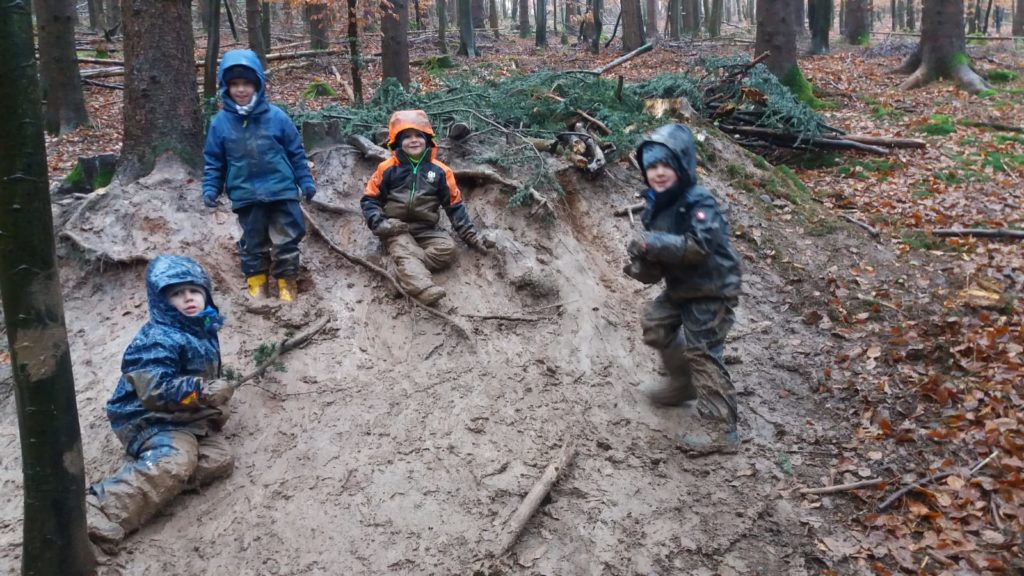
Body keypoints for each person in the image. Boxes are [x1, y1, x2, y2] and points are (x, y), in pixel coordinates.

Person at [86, 255, 236, 546]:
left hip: (185, 416)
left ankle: (158, 477)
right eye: (177, 294)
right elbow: (155, 390)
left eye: (194, 291)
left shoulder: (202, 325)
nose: (188, 298)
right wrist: (203, 392)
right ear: (161, 301)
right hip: (148, 418)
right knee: (176, 462)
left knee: (219, 459)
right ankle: (101, 509)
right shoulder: (158, 338)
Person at [623, 124, 744, 455]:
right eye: (652, 166)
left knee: (702, 352)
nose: (659, 173)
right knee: (654, 324)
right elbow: (661, 258)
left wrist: (654, 243)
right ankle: (683, 384)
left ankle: (722, 430)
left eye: (667, 165)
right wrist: (642, 264)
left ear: (683, 165)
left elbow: (699, 246)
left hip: (713, 288)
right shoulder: (655, 204)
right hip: (683, 287)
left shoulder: (700, 202)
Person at [202, 49, 316, 303]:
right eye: (235, 84)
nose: (241, 89)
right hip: (245, 193)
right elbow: (214, 161)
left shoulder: (277, 117)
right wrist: (211, 187)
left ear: (258, 85)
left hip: (281, 190)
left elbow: (296, 153)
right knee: (253, 242)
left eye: (247, 83)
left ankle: (287, 284)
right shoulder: (220, 123)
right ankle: (257, 283)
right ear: (226, 87)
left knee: (286, 240)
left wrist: (305, 180)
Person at [360, 109, 492, 306]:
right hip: (396, 228)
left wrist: (472, 238)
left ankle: (398, 269)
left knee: (448, 249)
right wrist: (380, 224)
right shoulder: (387, 168)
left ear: (427, 139)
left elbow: (454, 206)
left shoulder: (440, 171)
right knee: (403, 247)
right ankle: (423, 289)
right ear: (397, 142)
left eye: (418, 136)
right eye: (407, 137)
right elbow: (370, 199)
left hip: (426, 229)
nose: (413, 140)